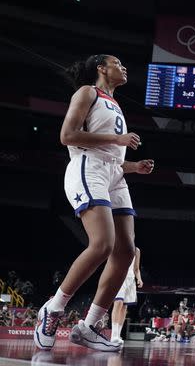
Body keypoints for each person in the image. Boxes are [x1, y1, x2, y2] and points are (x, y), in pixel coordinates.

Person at [34, 54, 154, 353]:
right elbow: (68, 136)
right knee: (102, 244)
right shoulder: (88, 91)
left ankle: (89, 326)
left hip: (114, 173)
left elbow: (113, 155)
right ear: (101, 68)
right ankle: (54, 309)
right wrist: (118, 140)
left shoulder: (115, 104)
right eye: (118, 63)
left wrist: (134, 166)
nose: (124, 67)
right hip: (88, 168)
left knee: (125, 252)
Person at [110, 246, 143, 344]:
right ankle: (113, 335)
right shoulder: (118, 245)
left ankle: (118, 335)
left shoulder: (137, 250)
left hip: (130, 280)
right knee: (118, 303)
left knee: (124, 308)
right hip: (119, 277)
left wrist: (139, 278)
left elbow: (136, 268)